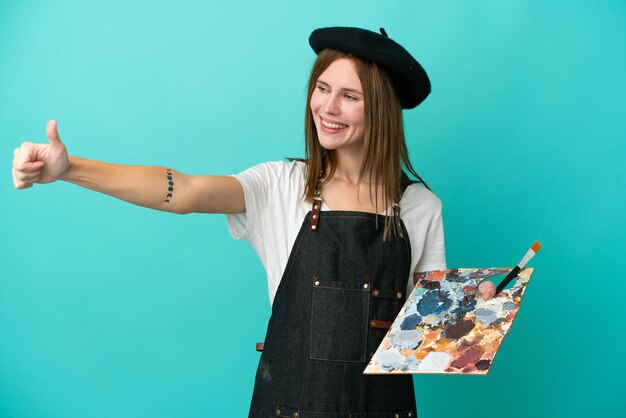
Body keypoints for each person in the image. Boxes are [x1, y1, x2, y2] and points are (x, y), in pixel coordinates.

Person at [12, 27, 496, 417]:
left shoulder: (420, 207)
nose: (327, 107)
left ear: (383, 109)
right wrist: (70, 169)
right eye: (322, 88)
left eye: (349, 96)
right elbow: (182, 190)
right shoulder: (282, 186)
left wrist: (473, 314)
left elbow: (424, 341)